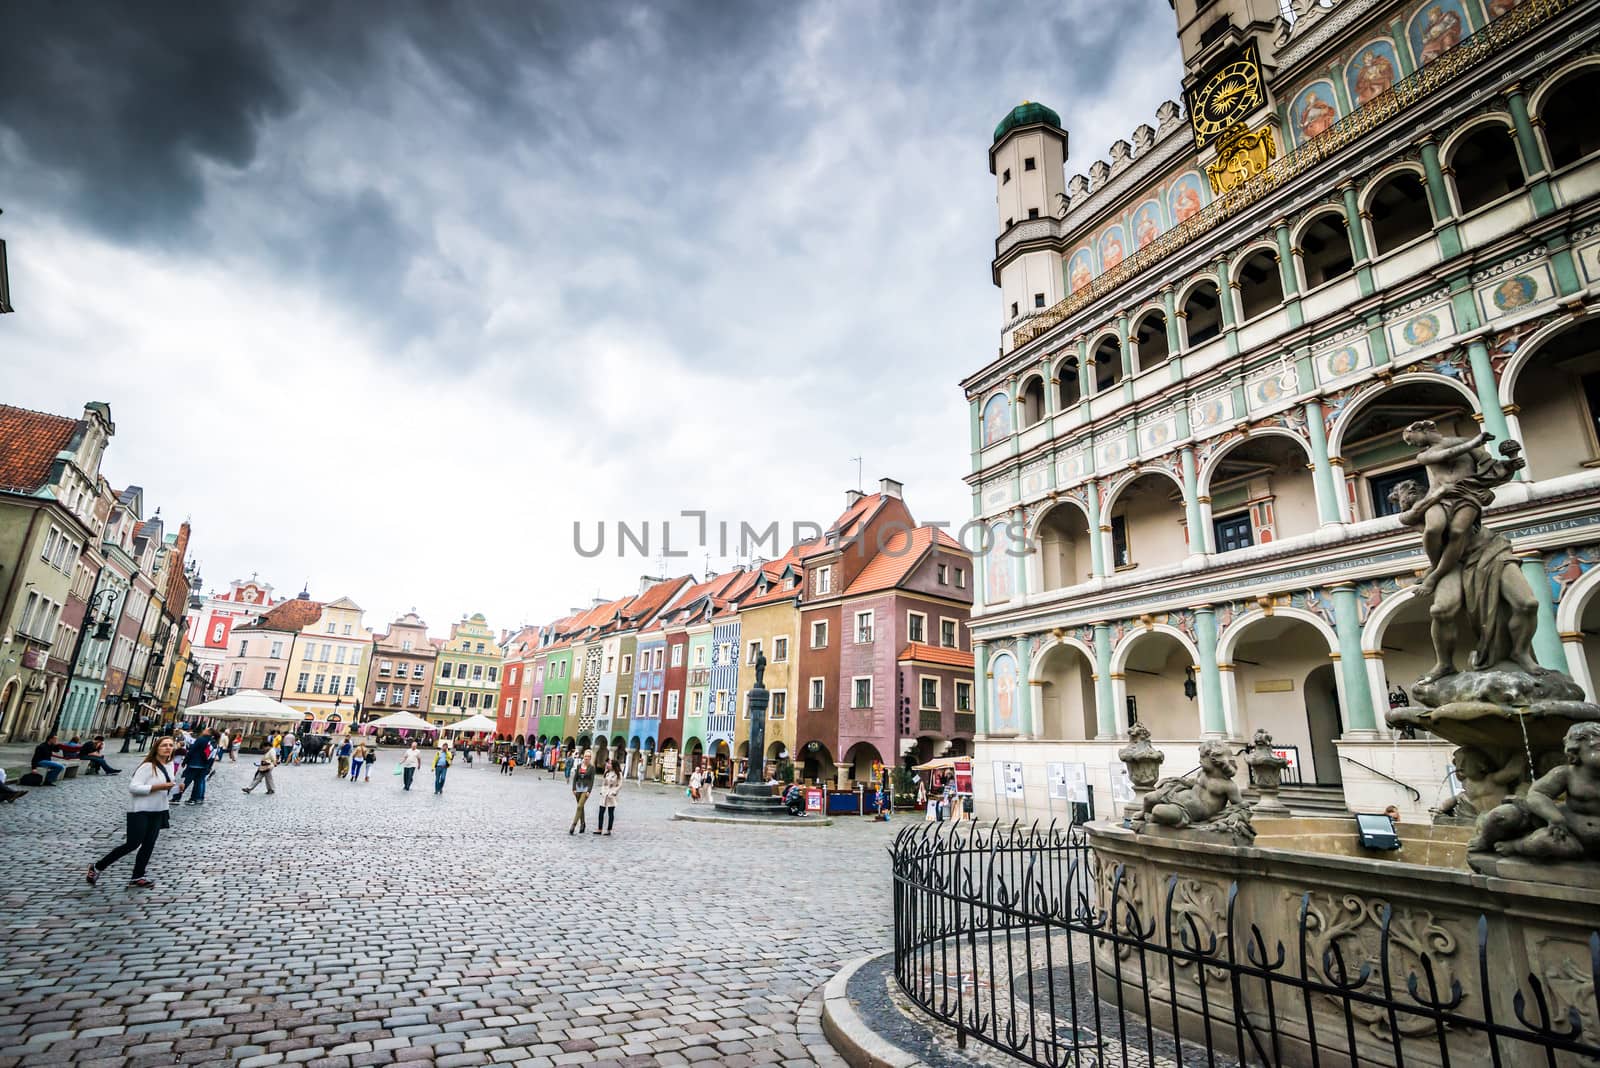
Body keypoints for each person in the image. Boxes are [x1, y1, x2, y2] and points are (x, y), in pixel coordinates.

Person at [86, 736, 178, 889]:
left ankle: (138, 876)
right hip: (140, 810)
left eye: (170, 745)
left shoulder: (169, 765)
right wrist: (160, 787)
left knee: (149, 844)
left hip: (159, 810)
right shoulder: (148, 766)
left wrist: (176, 788)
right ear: (156, 748)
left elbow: (165, 788)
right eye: (164, 745)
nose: (168, 748)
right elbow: (134, 788)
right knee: (133, 843)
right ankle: (97, 867)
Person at [175, 729, 215, 805]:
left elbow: (192, 750)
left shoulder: (201, 739)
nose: (203, 730)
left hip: (194, 763)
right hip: (204, 765)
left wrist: (185, 760)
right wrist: (209, 766)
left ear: (208, 732)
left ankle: (176, 798)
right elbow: (213, 755)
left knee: (185, 781)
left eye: (206, 730)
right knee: (198, 783)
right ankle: (194, 799)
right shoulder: (213, 741)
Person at [570, 749, 595, 835]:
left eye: (588, 756)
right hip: (578, 789)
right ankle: (583, 824)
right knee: (581, 807)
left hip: (585, 789)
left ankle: (573, 825)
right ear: (583, 756)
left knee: (579, 806)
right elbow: (575, 778)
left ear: (590, 758)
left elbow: (592, 781)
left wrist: (589, 791)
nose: (587, 758)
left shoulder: (592, 768)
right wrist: (573, 788)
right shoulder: (579, 766)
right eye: (585, 756)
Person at [596, 759, 621, 836]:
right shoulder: (607, 772)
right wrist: (602, 791)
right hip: (604, 794)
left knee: (610, 812)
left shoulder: (618, 774)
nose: (608, 765)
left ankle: (609, 829)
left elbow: (619, 785)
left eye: (609, 763)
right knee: (601, 812)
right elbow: (603, 783)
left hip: (611, 794)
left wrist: (614, 792)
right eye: (608, 763)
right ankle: (599, 829)